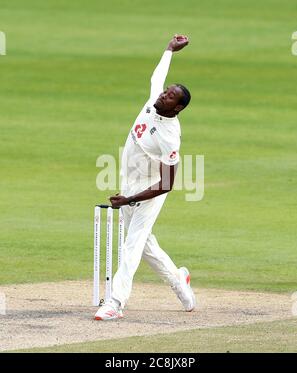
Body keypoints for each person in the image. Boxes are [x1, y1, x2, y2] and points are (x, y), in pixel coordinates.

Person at [95, 34, 195, 321]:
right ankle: (181, 283)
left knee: (132, 243)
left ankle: (115, 302)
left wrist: (130, 199)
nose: (164, 95)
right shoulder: (154, 100)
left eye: (170, 96)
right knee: (146, 245)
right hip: (129, 184)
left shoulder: (169, 136)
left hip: (149, 190)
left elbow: (167, 183)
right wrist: (169, 50)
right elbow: (157, 76)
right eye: (166, 92)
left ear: (177, 108)